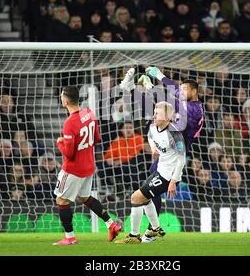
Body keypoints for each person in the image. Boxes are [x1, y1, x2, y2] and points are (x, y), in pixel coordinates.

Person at [119, 66, 204, 242]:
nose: (181, 92)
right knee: (157, 111)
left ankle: (150, 231)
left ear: (194, 92)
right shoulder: (187, 108)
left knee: (145, 193)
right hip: (167, 151)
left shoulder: (194, 109)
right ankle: (153, 228)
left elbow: (171, 94)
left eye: (185, 89)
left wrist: (159, 76)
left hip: (175, 154)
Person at [53, 86, 121, 245]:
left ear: (66, 101)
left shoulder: (70, 123)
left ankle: (69, 237)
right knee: (85, 197)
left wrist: (60, 143)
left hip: (73, 169)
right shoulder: (88, 113)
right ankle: (111, 224)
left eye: (62, 97)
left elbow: (69, 154)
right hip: (89, 165)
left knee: (61, 200)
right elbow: (96, 138)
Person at [115, 102, 186, 244]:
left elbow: (181, 159)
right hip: (160, 170)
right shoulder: (154, 127)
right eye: (154, 112)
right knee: (145, 199)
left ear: (167, 117)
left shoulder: (175, 135)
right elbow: (150, 136)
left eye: (157, 113)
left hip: (168, 176)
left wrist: (173, 181)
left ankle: (134, 236)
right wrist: (153, 148)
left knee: (136, 198)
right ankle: (155, 228)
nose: (154, 116)